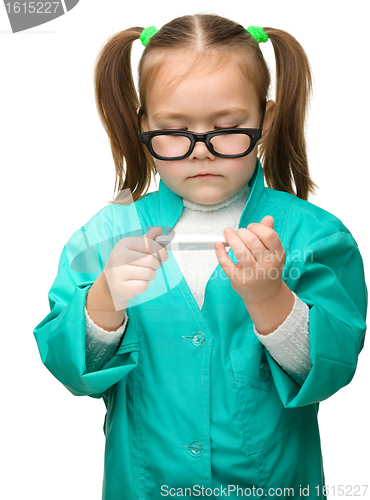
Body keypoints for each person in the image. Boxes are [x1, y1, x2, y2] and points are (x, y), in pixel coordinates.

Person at [33, 13, 367, 500]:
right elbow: (68, 366)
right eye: (174, 130)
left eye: (228, 128)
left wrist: (271, 298)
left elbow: (333, 368)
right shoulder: (106, 234)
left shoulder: (315, 235)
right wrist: (103, 302)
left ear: (265, 121)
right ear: (143, 126)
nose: (201, 152)